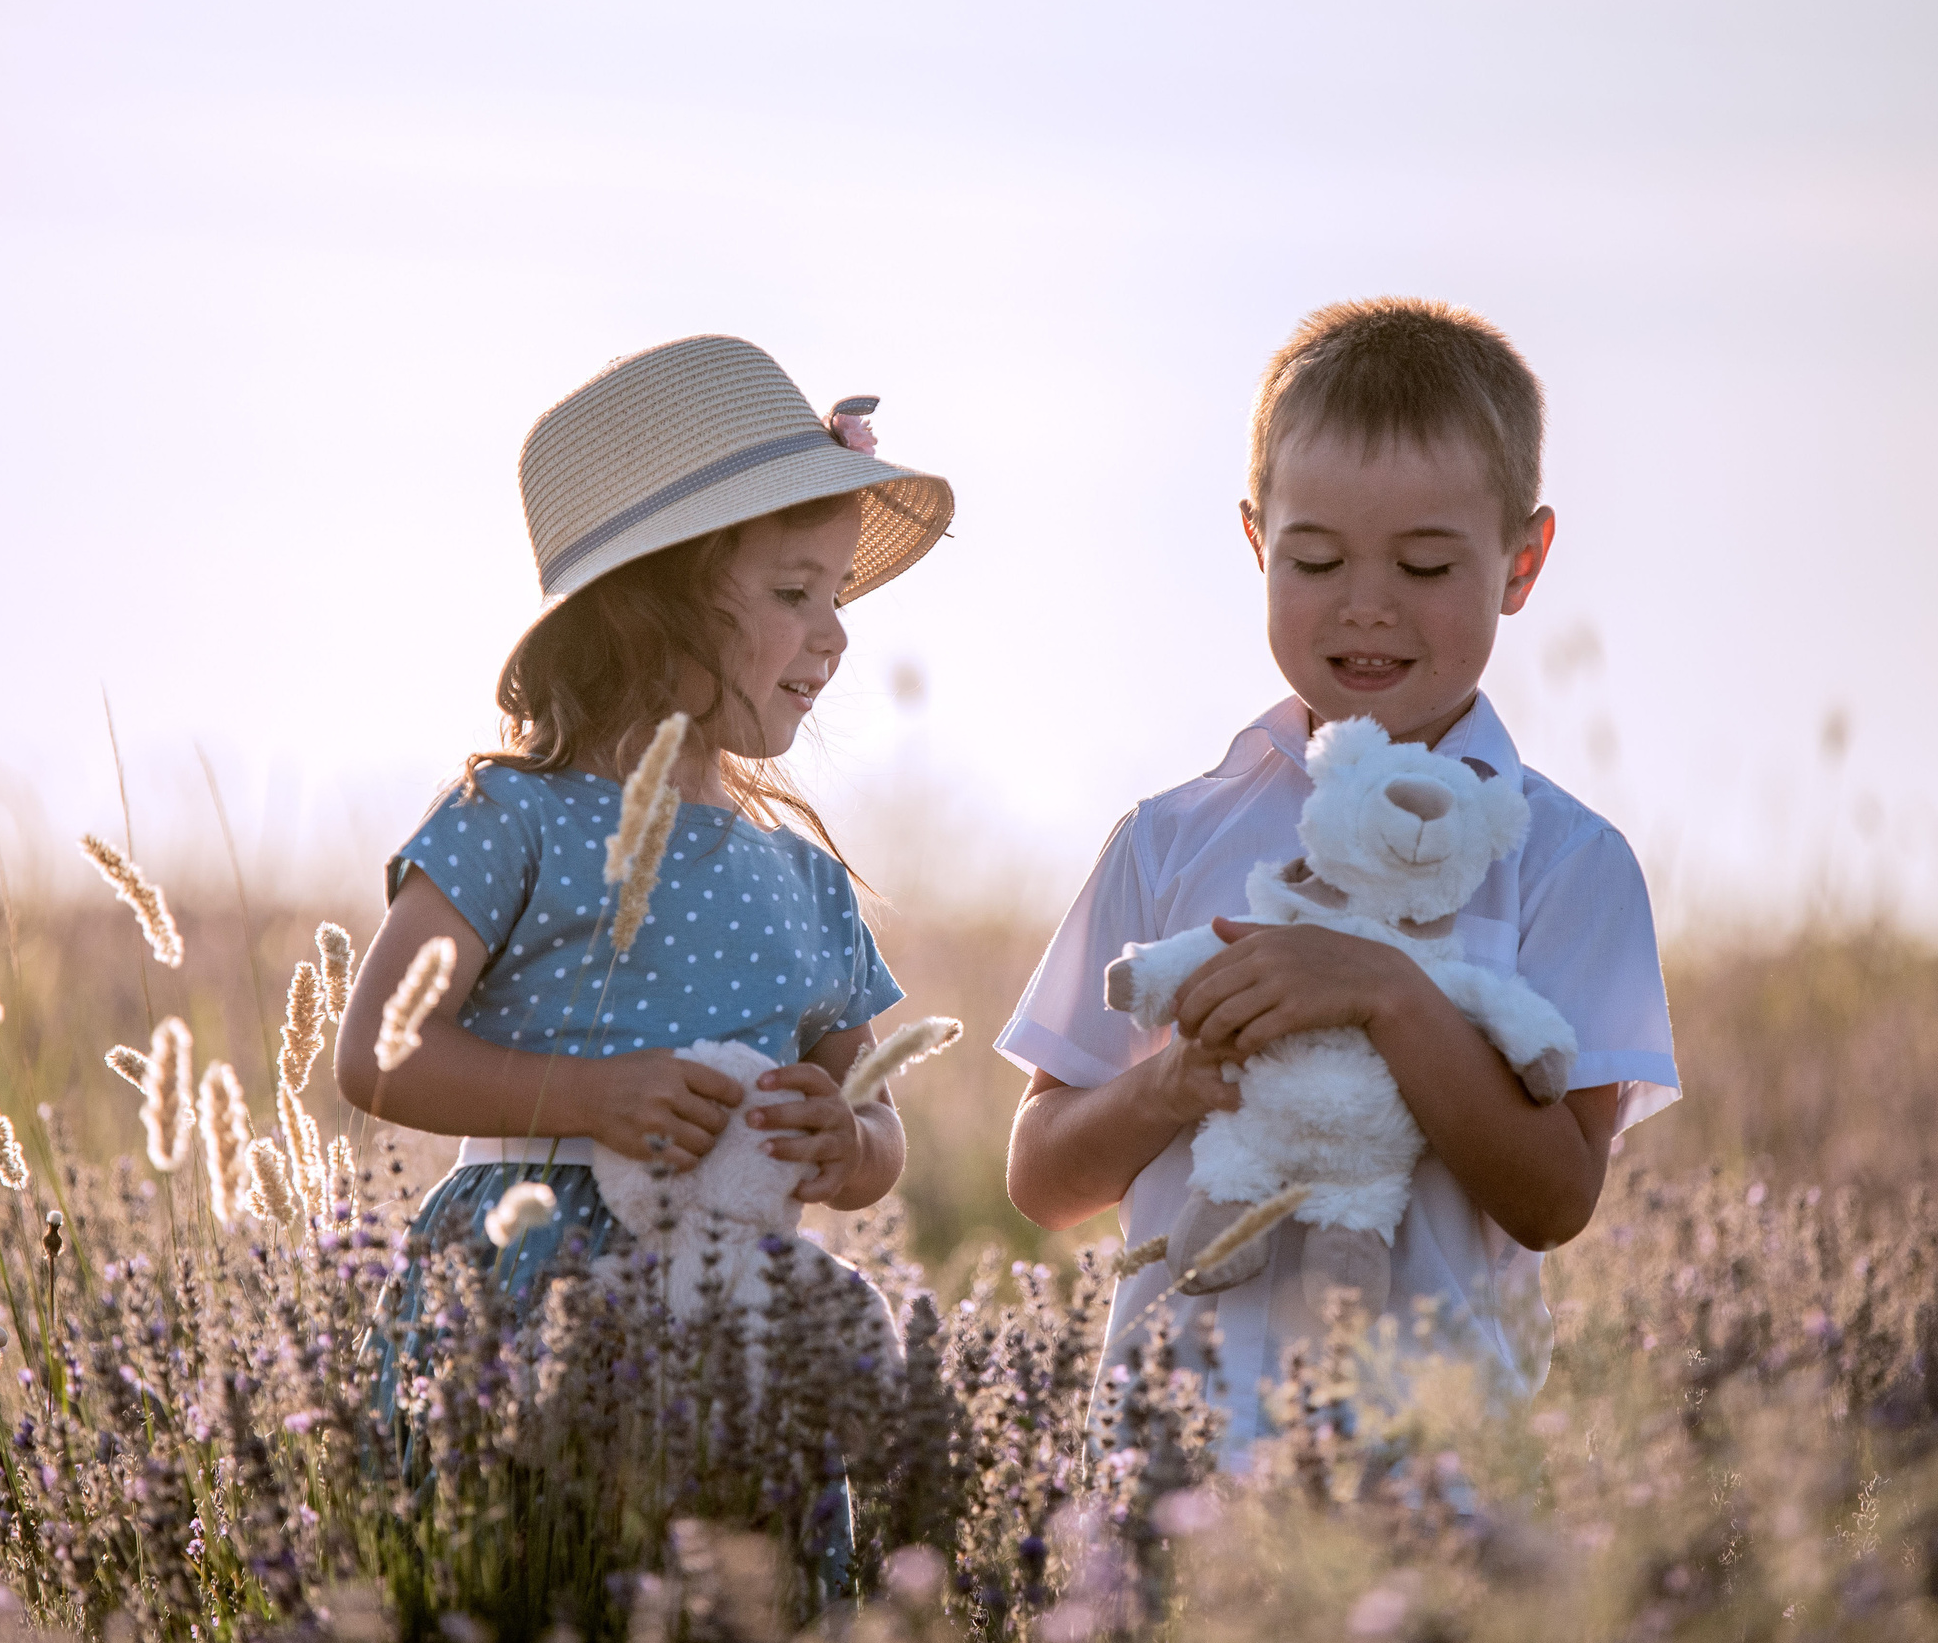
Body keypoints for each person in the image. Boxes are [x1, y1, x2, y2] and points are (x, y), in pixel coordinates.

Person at [1000, 297, 1679, 1448]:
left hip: (1426, 1467)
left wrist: (1383, 990)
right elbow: (1042, 1177)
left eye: (1424, 563)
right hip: (1177, 1448)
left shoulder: (1570, 862)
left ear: (1522, 561)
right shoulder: (1166, 836)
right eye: (1316, 557)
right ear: (1257, 539)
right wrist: (1168, 1088)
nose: (1366, 602)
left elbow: (1554, 1195)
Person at [332, 332, 952, 1402]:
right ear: (647, 604)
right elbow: (378, 1051)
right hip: (527, 1302)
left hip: (737, 1321)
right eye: (794, 590)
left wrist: (845, 1140)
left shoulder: (806, 880)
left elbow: (876, 1120)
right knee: (540, 1548)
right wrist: (588, 1096)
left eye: (838, 589)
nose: (835, 633)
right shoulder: (511, 818)